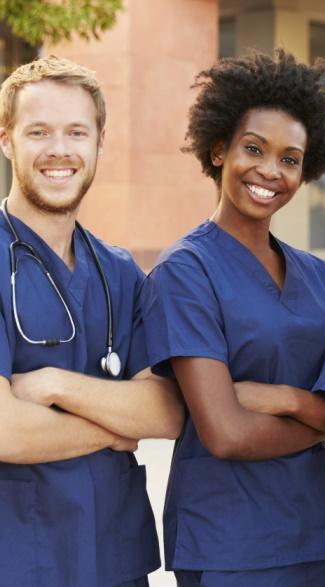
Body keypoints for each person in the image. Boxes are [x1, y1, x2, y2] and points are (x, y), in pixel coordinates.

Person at [140, 49, 325, 587]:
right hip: (230, 544)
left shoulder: (321, 279)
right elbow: (227, 433)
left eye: (290, 158)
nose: (270, 171)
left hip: (318, 535)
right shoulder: (186, 271)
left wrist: (286, 399)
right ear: (218, 150)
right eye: (253, 149)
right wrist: (321, 420)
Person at [0, 56, 184, 586]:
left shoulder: (120, 271)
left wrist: (54, 384)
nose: (60, 150)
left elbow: (166, 412)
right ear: (7, 140)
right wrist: (114, 425)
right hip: (20, 560)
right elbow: (6, 431)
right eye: (39, 131)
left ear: (100, 142)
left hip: (113, 559)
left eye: (77, 131)